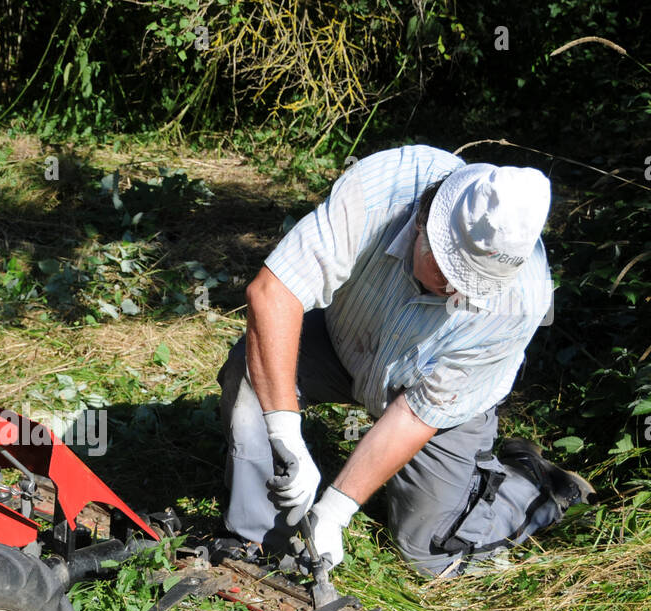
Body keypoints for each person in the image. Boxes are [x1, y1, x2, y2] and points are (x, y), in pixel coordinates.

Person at [219, 144, 593, 577]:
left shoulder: (523, 301)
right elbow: (272, 294)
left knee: (431, 553)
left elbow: (418, 412)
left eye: (475, 285)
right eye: (451, 272)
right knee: (252, 368)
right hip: (344, 340)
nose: (459, 292)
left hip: (431, 395)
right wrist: (285, 431)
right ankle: (255, 541)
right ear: (423, 223)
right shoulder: (382, 188)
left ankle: (532, 486)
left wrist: (335, 511)